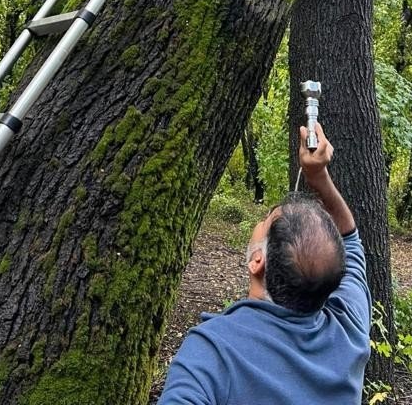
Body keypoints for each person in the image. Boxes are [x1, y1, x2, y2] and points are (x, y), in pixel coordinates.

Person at [157, 121, 372, 405]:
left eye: (265, 221)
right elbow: (351, 241)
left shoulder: (212, 352)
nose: (260, 221)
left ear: (257, 260)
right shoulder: (349, 330)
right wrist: (318, 177)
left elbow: (349, 241)